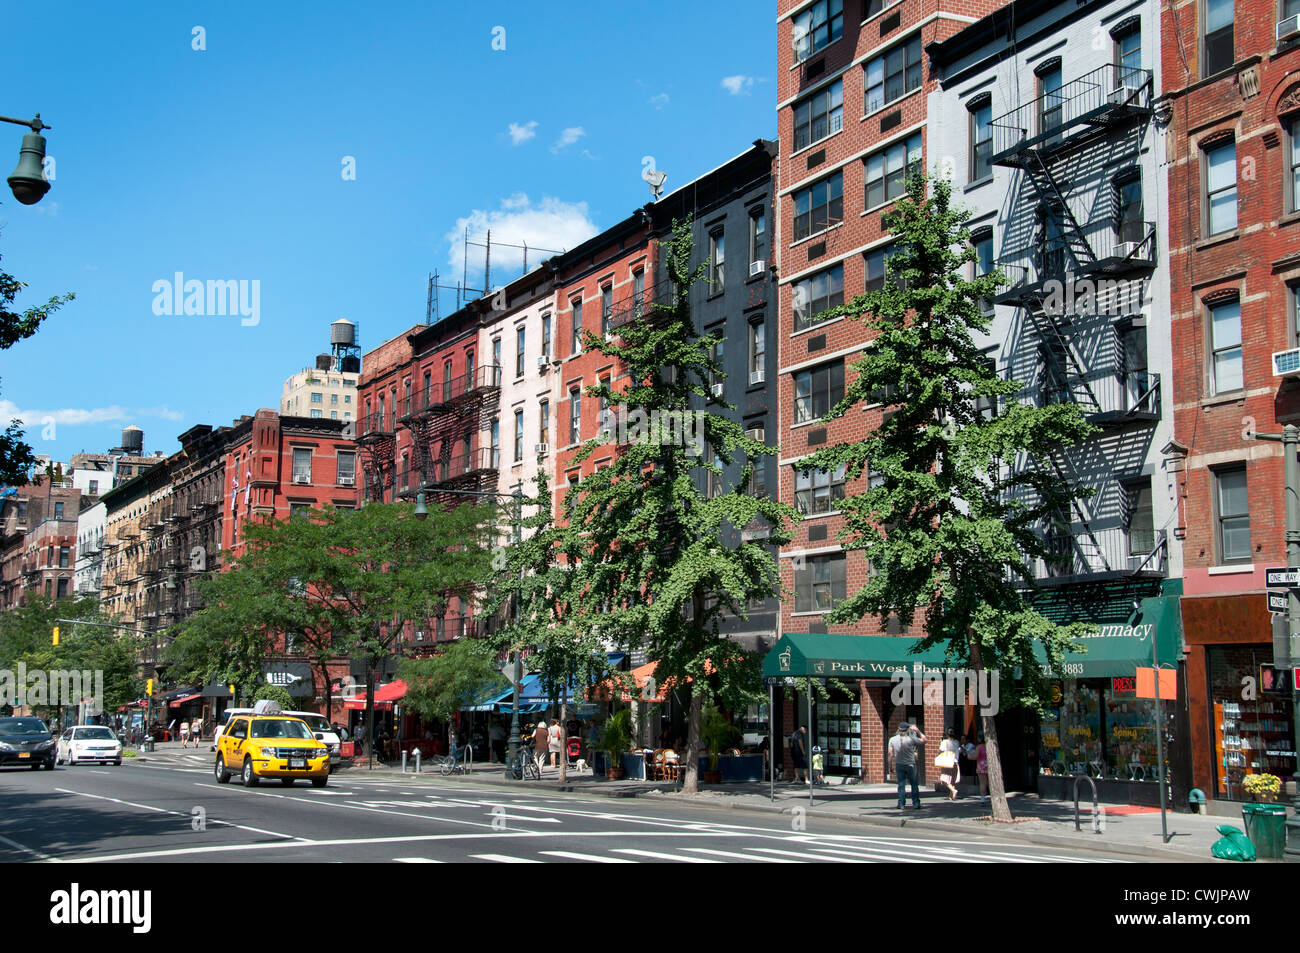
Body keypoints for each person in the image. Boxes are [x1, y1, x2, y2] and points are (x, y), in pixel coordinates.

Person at [888, 721, 927, 809]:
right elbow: (924, 740)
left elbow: (890, 754)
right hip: (911, 764)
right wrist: (918, 731)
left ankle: (901, 803)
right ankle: (916, 803)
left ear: (899, 729)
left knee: (901, 785)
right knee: (914, 784)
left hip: (899, 764)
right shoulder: (911, 738)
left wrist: (890, 766)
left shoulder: (892, 739)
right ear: (907, 730)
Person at [936, 727, 961, 801]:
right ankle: (951, 796)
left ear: (947, 734)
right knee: (953, 779)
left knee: (943, 779)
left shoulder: (945, 742)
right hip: (955, 761)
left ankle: (953, 791)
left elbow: (940, 751)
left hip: (947, 761)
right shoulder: (957, 742)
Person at [975, 732, 989, 803]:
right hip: (989, 765)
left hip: (981, 765)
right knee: (989, 782)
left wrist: (969, 755)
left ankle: (983, 799)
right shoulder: (989, 746)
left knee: (982, 783)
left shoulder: (979, 747)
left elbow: (975, 756)